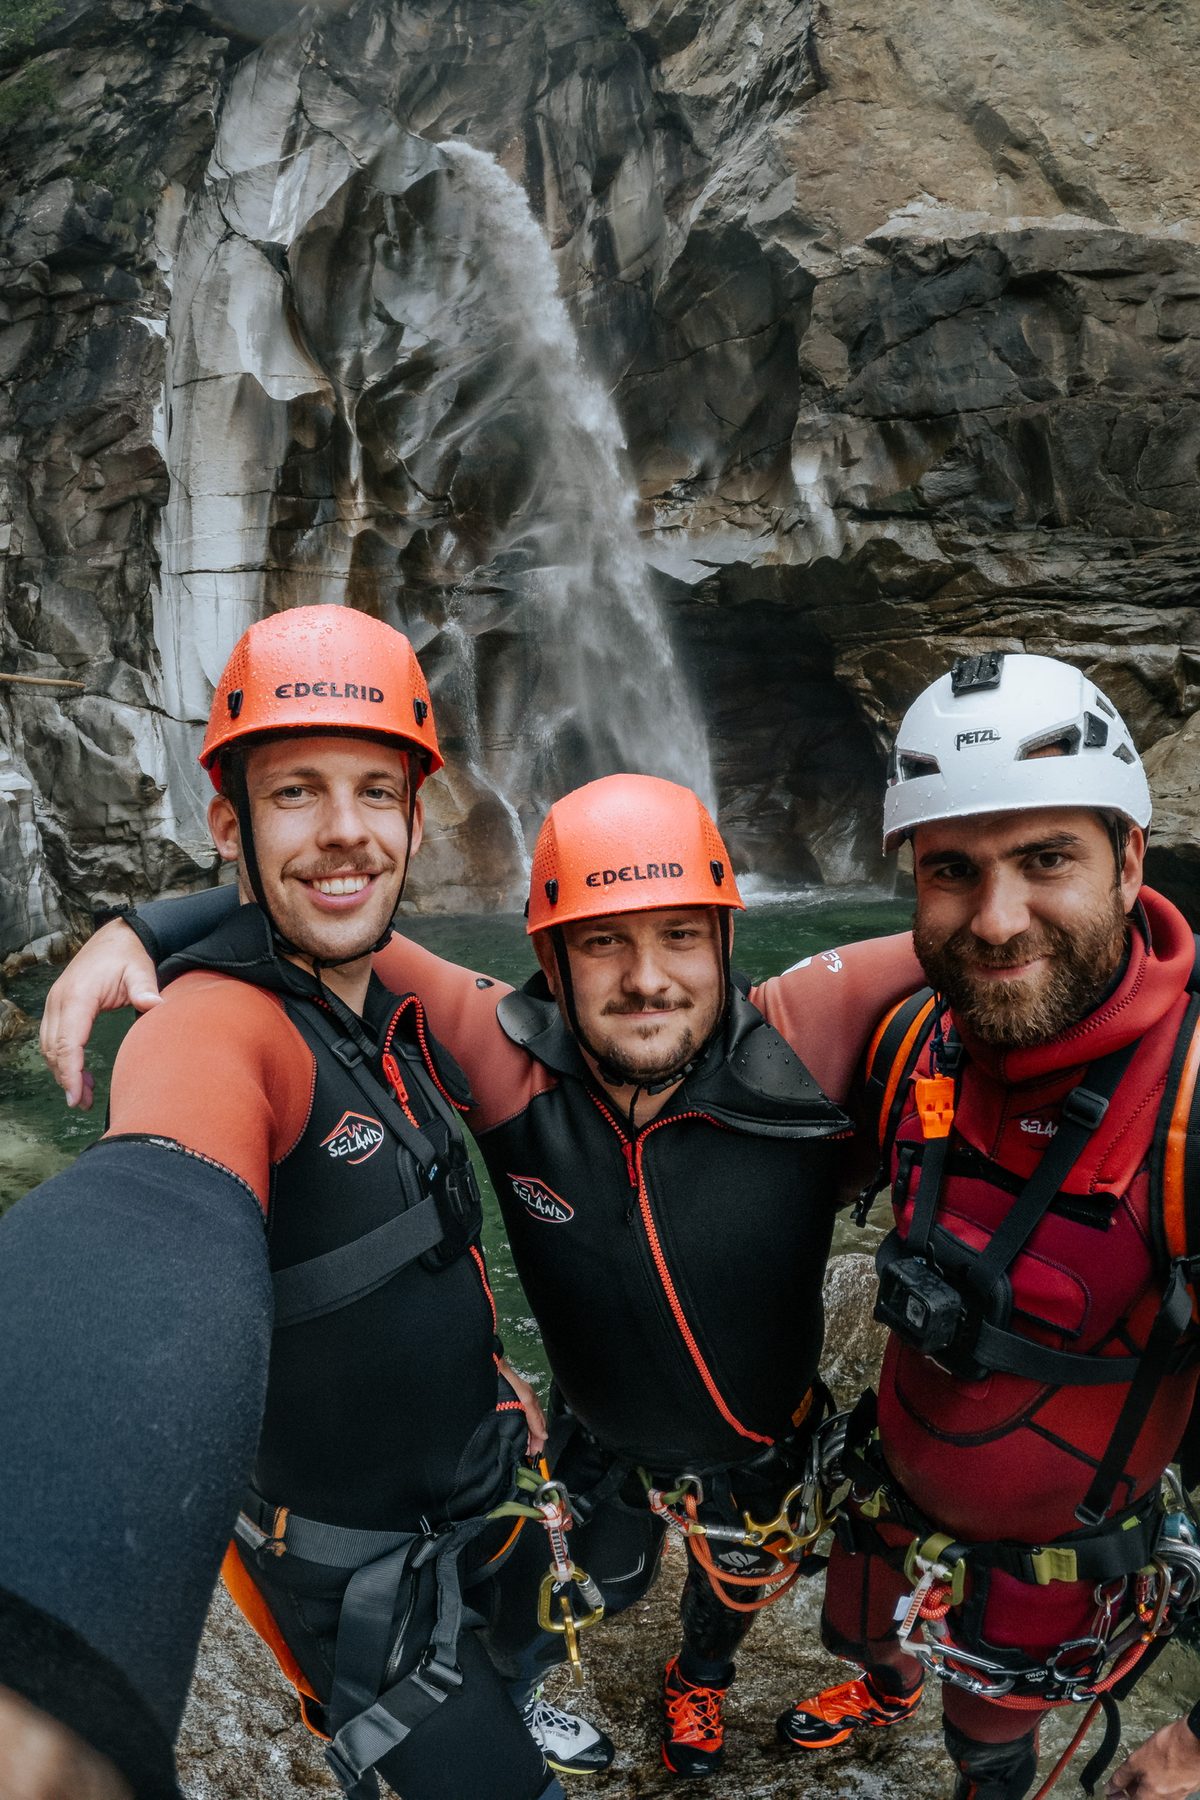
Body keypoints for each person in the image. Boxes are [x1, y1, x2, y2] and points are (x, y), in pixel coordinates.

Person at [40, 769, 924, 1780]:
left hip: (769, 1436)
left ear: (726, 937)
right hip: (604, 1441)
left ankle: (703, 1682)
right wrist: (140, 931)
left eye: (681, 933)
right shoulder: (513, 1066)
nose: (647, 978)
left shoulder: (806, 1030)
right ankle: (522, 1698)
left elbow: (987, 924)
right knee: (580, 1591)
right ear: (551, 955)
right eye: (603, 940)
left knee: (737, 1580)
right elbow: (316, 910)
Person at [0, 604, 607, 1800]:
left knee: (524, 1650)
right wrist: (47, 1669)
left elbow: (575, 1026)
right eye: (296, 795)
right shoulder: (215, 1026)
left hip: (477, 1486)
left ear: (416, 819)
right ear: (229, 822)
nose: (345, 834)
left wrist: (155, 918)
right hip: (372, 1592)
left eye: (375, 794)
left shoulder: (383, 983)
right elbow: (147, 1219)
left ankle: (527, 1688)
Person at [776, 652, 1200, 1800]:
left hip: (1050, 1559)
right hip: (887, 1497)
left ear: (1130, 862)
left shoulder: (1190, 1110)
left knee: (988, 1745)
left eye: (1045, 860)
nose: (998, 919)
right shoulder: (915, 1037)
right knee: (858, 1637)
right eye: (952, 870)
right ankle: (882, 1682)